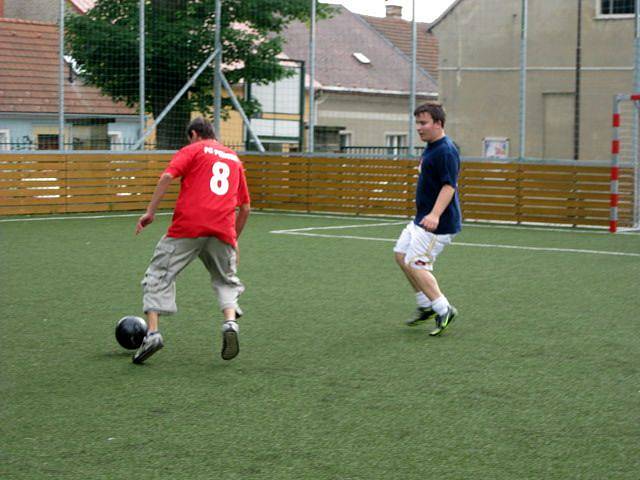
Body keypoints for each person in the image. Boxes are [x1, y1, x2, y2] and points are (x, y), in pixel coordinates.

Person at [132, 117, 250, 364]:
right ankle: (230, 322)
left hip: (189, 226)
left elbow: (166, 177)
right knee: (226, 280)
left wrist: (150, 212)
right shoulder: (233, 158)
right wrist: (233, 240)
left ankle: (152, 334)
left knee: (158, 275)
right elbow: (246, 207)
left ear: (194, 134)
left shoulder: (193, 150)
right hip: (222, 229)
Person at [393, 102, 462, 336]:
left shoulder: (446, 150)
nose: (419, 128)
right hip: (421, 220)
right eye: (418, 123)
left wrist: (434, 215)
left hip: (437, 224)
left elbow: (449, 186)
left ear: (438, 124)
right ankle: (425, 305)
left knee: (416, 263)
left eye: (424, 123)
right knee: (401, 255)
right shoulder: (432, 146)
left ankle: (443, 309)